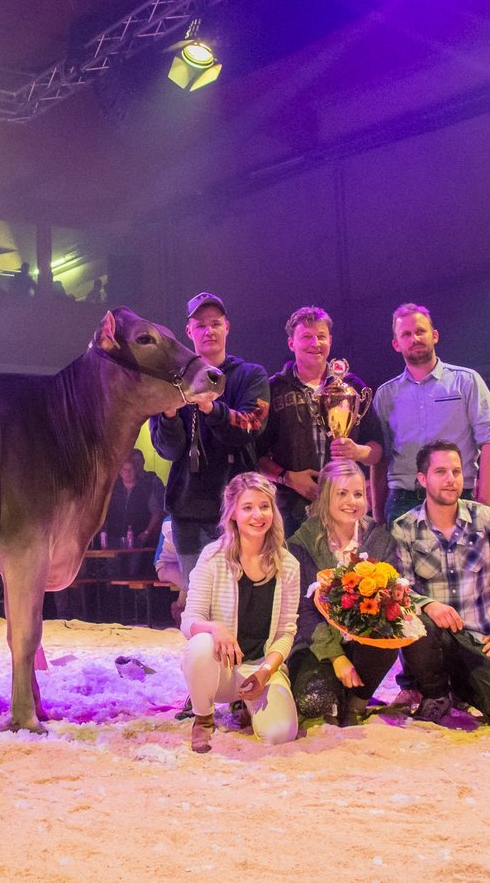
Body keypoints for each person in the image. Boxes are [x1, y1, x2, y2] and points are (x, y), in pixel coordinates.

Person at [390, 441, 490, 728]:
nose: (450, 479)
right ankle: (436, 693)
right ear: (422, 479)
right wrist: (428, 604)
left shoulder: (487, 518)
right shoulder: (403, 528)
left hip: (480, 640)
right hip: (432, 642)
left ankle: (463, 688)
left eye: (456, 471)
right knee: (419, 617)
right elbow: (399, 593)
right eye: (440, 471)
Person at [150, 291, 269, 583]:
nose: (209, 331)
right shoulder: (171, 381)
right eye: (201, 325)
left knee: (240, 595)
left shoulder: (250, 375)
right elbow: (168, 449)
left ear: (227, 327)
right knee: (199, 599)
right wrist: (167, 414)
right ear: (189, 331)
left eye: (215, 323)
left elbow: (252, 426)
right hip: (188, 510)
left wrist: (210, 408)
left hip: (239, 509)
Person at [179, 473, 299, 751]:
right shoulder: (212, 557)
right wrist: (215, 628)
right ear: (233, 513)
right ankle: (203, 717)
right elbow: (189, 621)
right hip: (222, 669)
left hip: (259, 669)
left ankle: (249, 705)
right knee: (200, 644)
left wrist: (267, 671)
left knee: (280, 735)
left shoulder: (288, 564)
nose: (258, 515)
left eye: (264, 506)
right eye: (248, 508)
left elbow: (286, 631)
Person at [287, 459, 405, 727]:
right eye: (342, 493)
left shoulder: (379, 539)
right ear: (325, 497)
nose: (352, 502)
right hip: (318, 646)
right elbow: (303, 612)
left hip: (362, 645)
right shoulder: (300, 543)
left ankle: (357, 701)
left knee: (388, 635)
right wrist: (336, 657)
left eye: (358, 494)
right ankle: (333, 690)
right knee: (311, 703)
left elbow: (392, 596)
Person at [372, 303, 490, 524]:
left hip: (458, 497)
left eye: (420, 331)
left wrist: (485, 508)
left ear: (434, 335)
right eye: (406, 334)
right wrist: (377, 514)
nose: (415, 338)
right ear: (396, 344)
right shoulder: (385, 395)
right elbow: (379, 457)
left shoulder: (466, 381)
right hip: (403, 501)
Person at [256, 306, 382, 535]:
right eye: (306, 336)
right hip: (292, 511)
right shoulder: (272, 389)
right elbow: (256, 455)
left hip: (347, 504)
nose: (315, 343)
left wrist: (357, 452)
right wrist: (287, 478)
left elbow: (377, 449)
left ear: (330, 341)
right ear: (291, 343)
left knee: (350, 570)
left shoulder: (352, 387)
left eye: (321, 336)